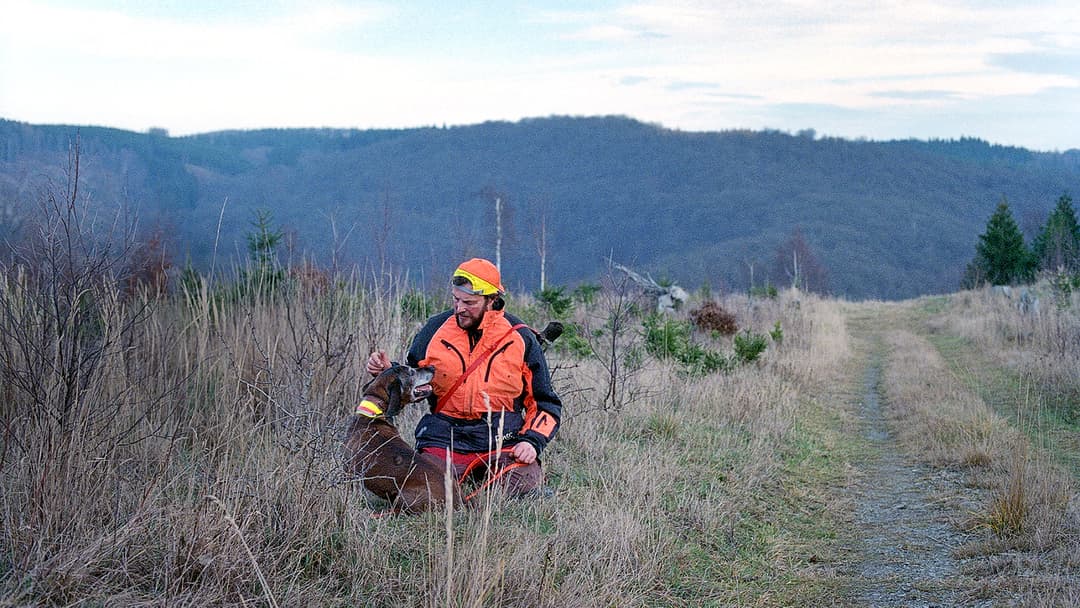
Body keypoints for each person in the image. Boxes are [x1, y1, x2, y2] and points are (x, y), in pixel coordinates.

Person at [365, 257, 562, 497]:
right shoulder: (434, 329)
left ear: (492, 300)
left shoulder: (520, 337)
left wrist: (531, 441)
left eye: (469, 302)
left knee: (525, 488)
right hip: (444, 436)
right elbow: (413, 380)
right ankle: (455, 479)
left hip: (502, 438)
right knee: (422, 491)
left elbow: (545, 404)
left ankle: (494, 479)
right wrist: (387, 372)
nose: (459, 308)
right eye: (456, 300)